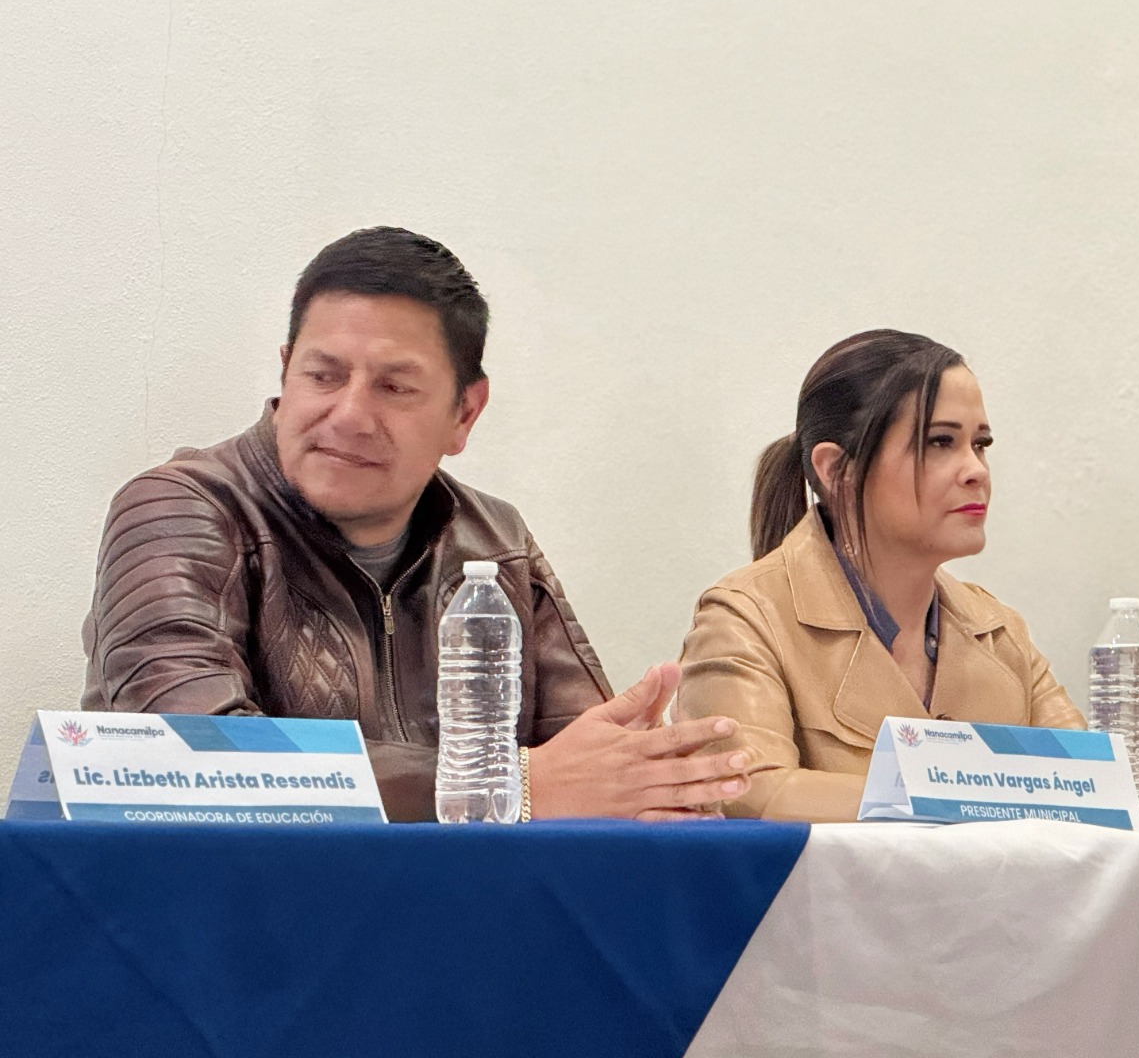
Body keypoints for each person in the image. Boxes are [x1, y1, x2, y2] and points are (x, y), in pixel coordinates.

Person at [81, 226, 749, 821]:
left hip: (456, 907)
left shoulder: (495, 542)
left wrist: (647, 786)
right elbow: (191, 752)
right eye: (324, 376)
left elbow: (582, 763)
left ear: (465, 413)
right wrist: (506, 786)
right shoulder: (178, 508)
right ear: (286, 370)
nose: (348, 415)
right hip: (230, 908)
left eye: (394, 387)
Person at [675, 329, 1084, 822]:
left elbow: (1092, 792)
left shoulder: (1001, 633)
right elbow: (747, 792)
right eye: (940, 442)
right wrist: (967, 793)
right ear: (837, 470)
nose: (976, 469)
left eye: (980, 444)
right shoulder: (744, 618)